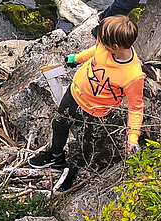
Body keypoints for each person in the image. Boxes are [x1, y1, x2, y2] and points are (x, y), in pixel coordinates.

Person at [28, 15, 145, 170]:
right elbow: (94, 51)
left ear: (116, 47)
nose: (99, 43)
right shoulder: (104, 45)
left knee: (84, 144)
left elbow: (135, 108)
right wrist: (75, 59)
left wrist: (132, 138)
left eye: (103, 41)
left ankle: (73, 170)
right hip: (74, 94)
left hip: (94, 113)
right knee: (59, 124)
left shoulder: (132, 76)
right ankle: (55, 156)